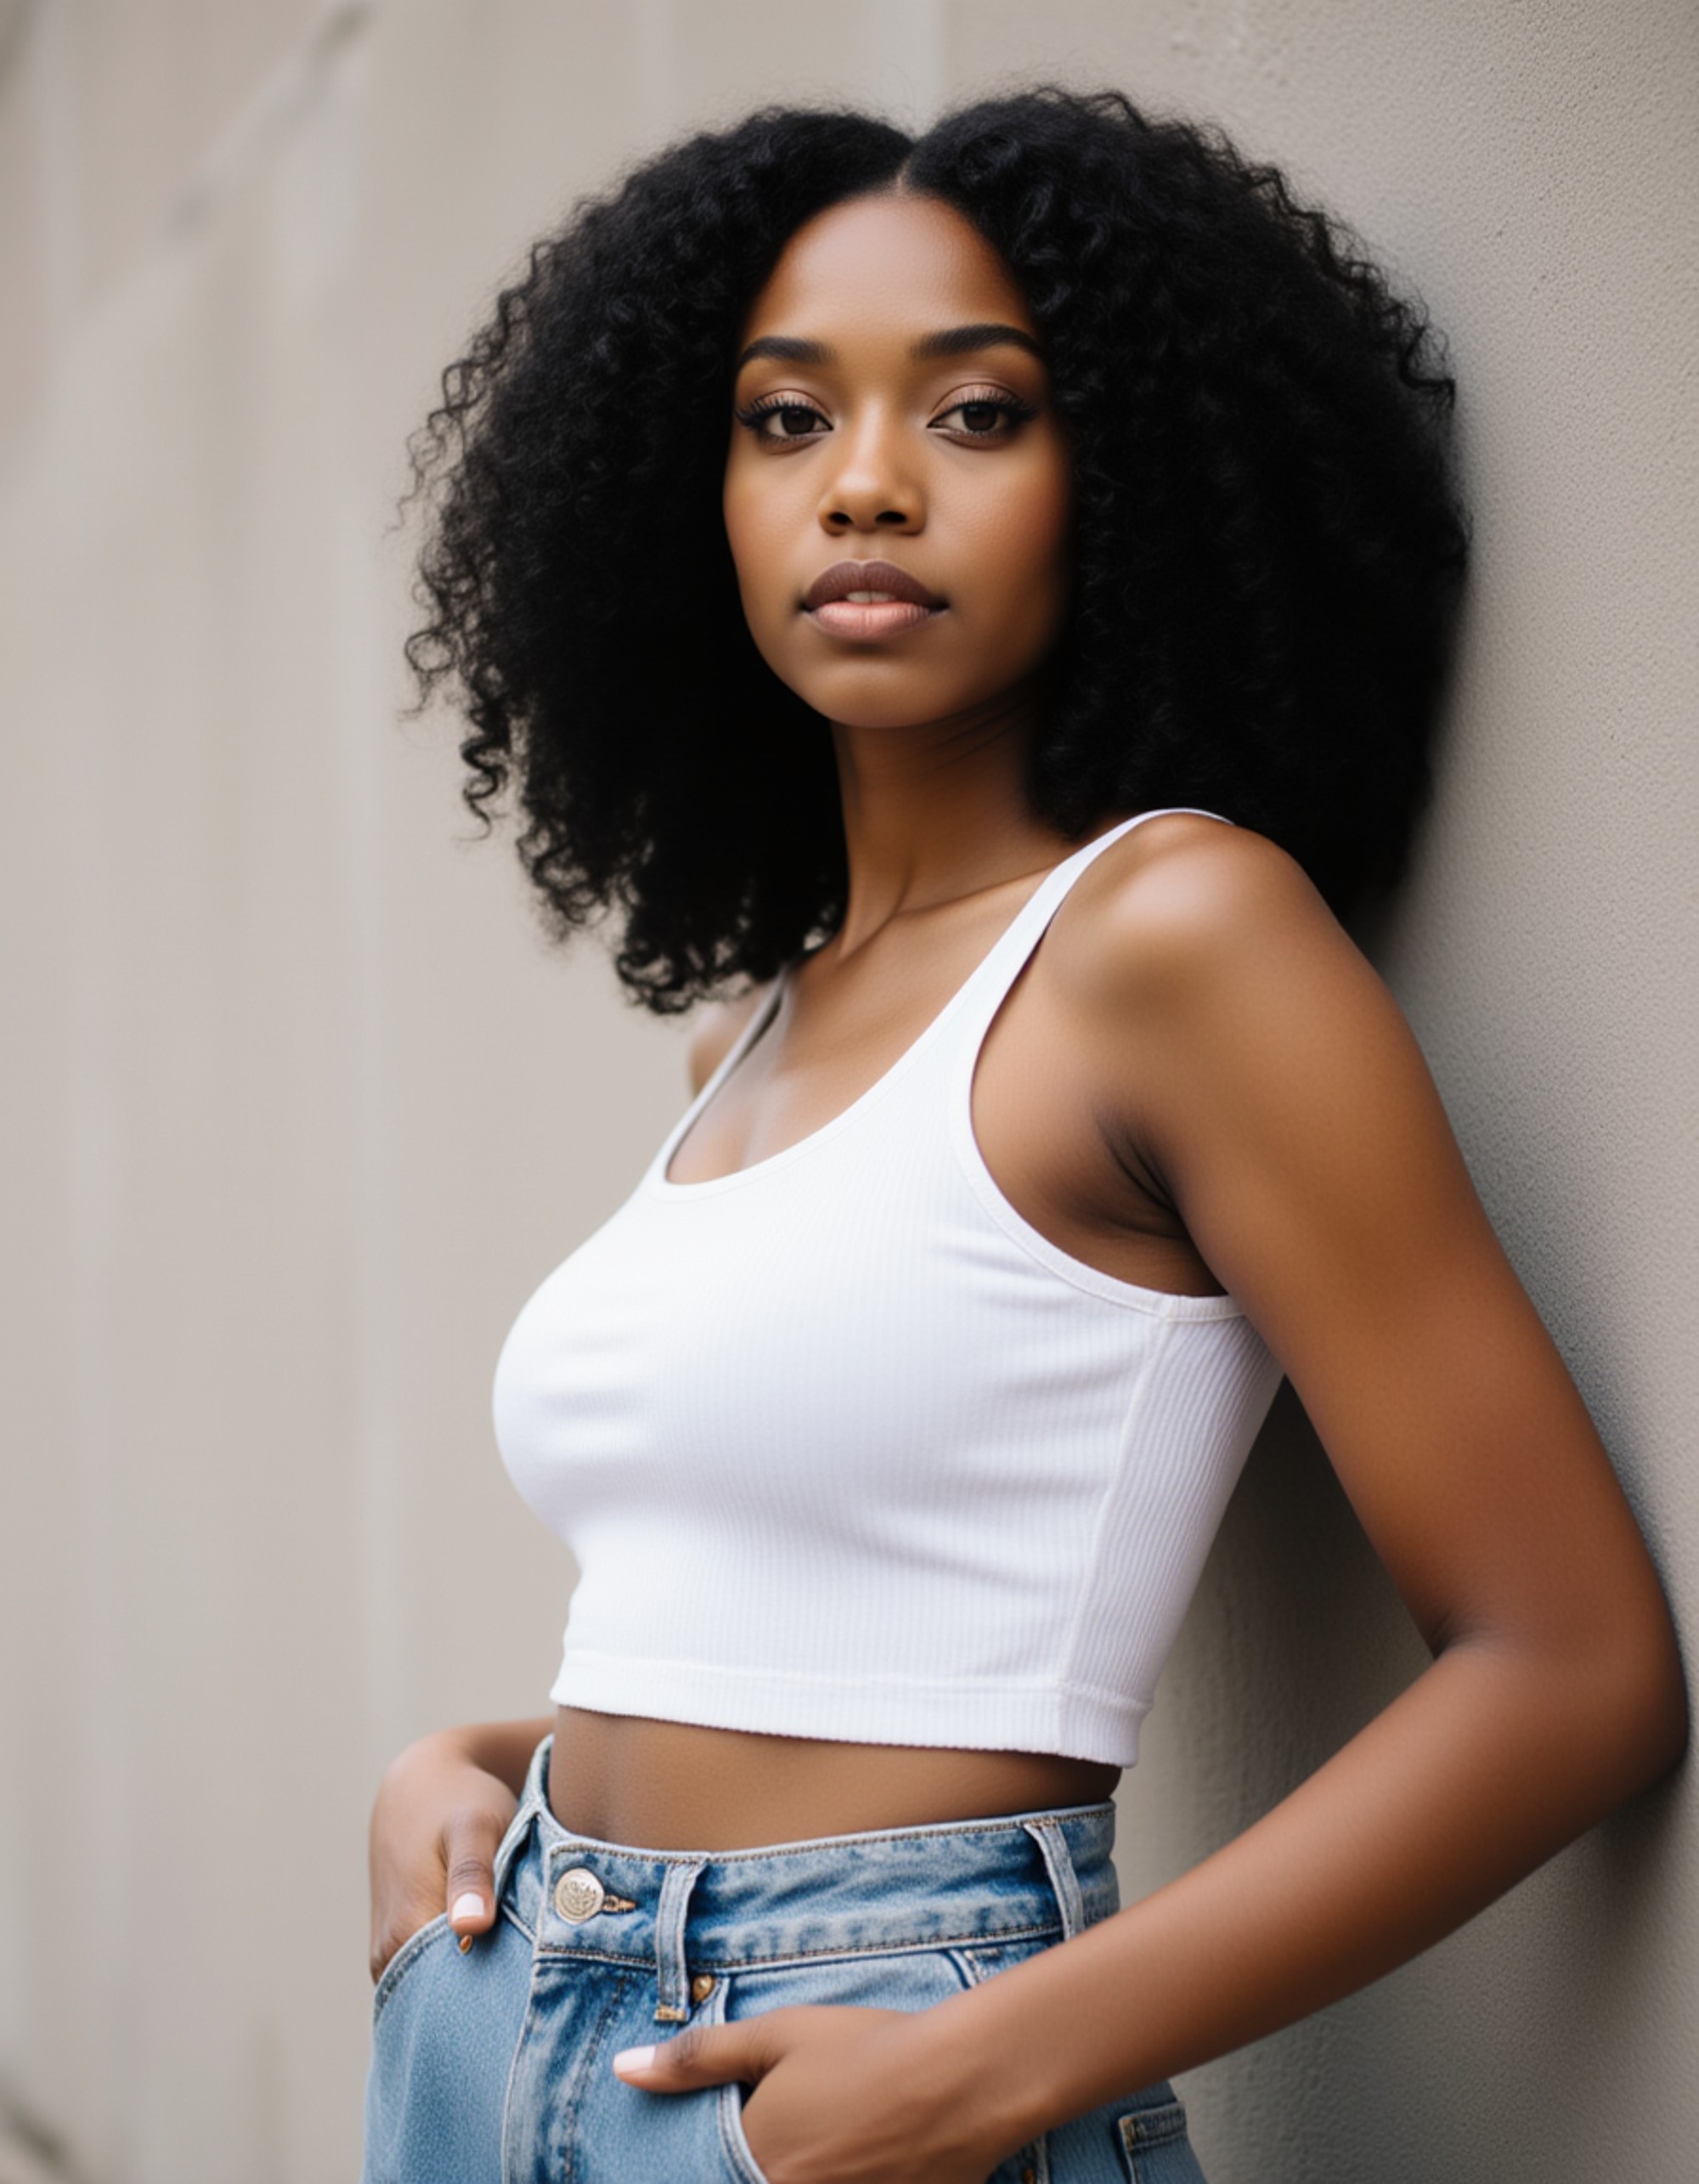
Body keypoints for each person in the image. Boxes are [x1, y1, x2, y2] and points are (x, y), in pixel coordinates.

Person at [362, 88, 1685, 2183]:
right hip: (489, 2007)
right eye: (784, 419)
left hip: (872, 2055)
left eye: (974, 415)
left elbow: (1575, 1663)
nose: (864, 487)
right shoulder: (746, 1025)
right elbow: (795, 1620)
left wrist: (998, 2057)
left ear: (1124, 476)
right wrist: (482, 1763)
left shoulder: (1171, 939)